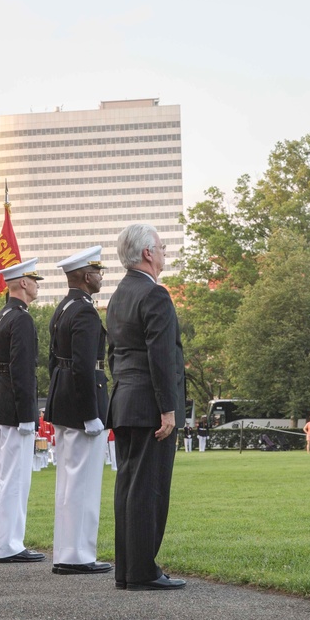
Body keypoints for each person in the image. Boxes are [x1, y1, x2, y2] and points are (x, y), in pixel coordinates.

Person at [106, 224, 186, 591]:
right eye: (162, 246)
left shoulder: (120, 294)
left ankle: (128, 570)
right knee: (149, 490)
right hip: (149, 406)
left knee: (129, 488)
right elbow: (161, 356)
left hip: (125, 401)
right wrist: (168, 409)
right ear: (148, 253)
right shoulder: (154, 295)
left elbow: (114, 355)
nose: (165, 251)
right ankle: (142, 571)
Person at [46, 246, 113, 576]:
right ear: (87, 276)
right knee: (83, 484)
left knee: (68, 482)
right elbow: (85, 367)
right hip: (81, 405)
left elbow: (54, 364)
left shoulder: (63, 308)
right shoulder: (85, 311)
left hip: (64, 402)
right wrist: (91, 412)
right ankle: (78, 555)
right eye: (98, 272)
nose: (101, 277)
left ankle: (66, 551)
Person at [0, 257, 46, 564]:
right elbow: (22, 372)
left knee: (6, 477)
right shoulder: (21, 319)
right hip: (13, 410)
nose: (36, 284)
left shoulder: (1, 317)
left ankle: (3, 543)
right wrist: (26, 414)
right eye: (34, 279)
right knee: (15, 479)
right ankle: (9, 545)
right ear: (23, 282)